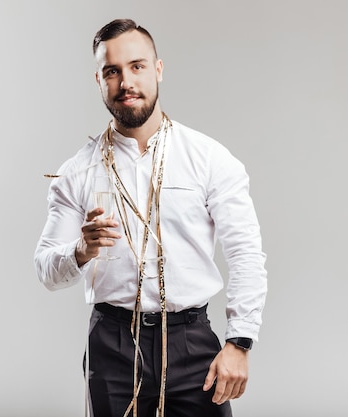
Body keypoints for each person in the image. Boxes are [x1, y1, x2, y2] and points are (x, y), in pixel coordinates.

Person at [34, 18, 267, 417]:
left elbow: (245, 252)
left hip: (191, 341)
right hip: (111, 345)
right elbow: (46, 269)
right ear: (99, 80)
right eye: (113, 71)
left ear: (158, 69)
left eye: (137, 66)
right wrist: (81, 249)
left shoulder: (208, 159)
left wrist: (239, 342)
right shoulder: (77, 173)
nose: (126, 81)